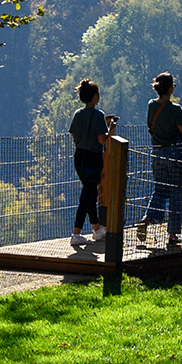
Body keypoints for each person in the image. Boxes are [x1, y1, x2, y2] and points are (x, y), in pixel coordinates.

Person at [137, 72, 182, 249]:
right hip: (175, 156)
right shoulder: (175, 109)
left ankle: (146, 218)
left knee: (159, 190)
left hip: (157, 154)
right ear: (170, 88)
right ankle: (173, 235)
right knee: (176, 194)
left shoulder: (151, 105)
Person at [67, 80, 113, 248]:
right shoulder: (98, 115)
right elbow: (102, 139)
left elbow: (73, 134)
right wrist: (110, 129)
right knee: (86, 195)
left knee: (90, 192)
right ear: (95, 96)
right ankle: (76, 233)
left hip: (79, 156)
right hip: (93, 157)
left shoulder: (78, 114)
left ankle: (96, 228)